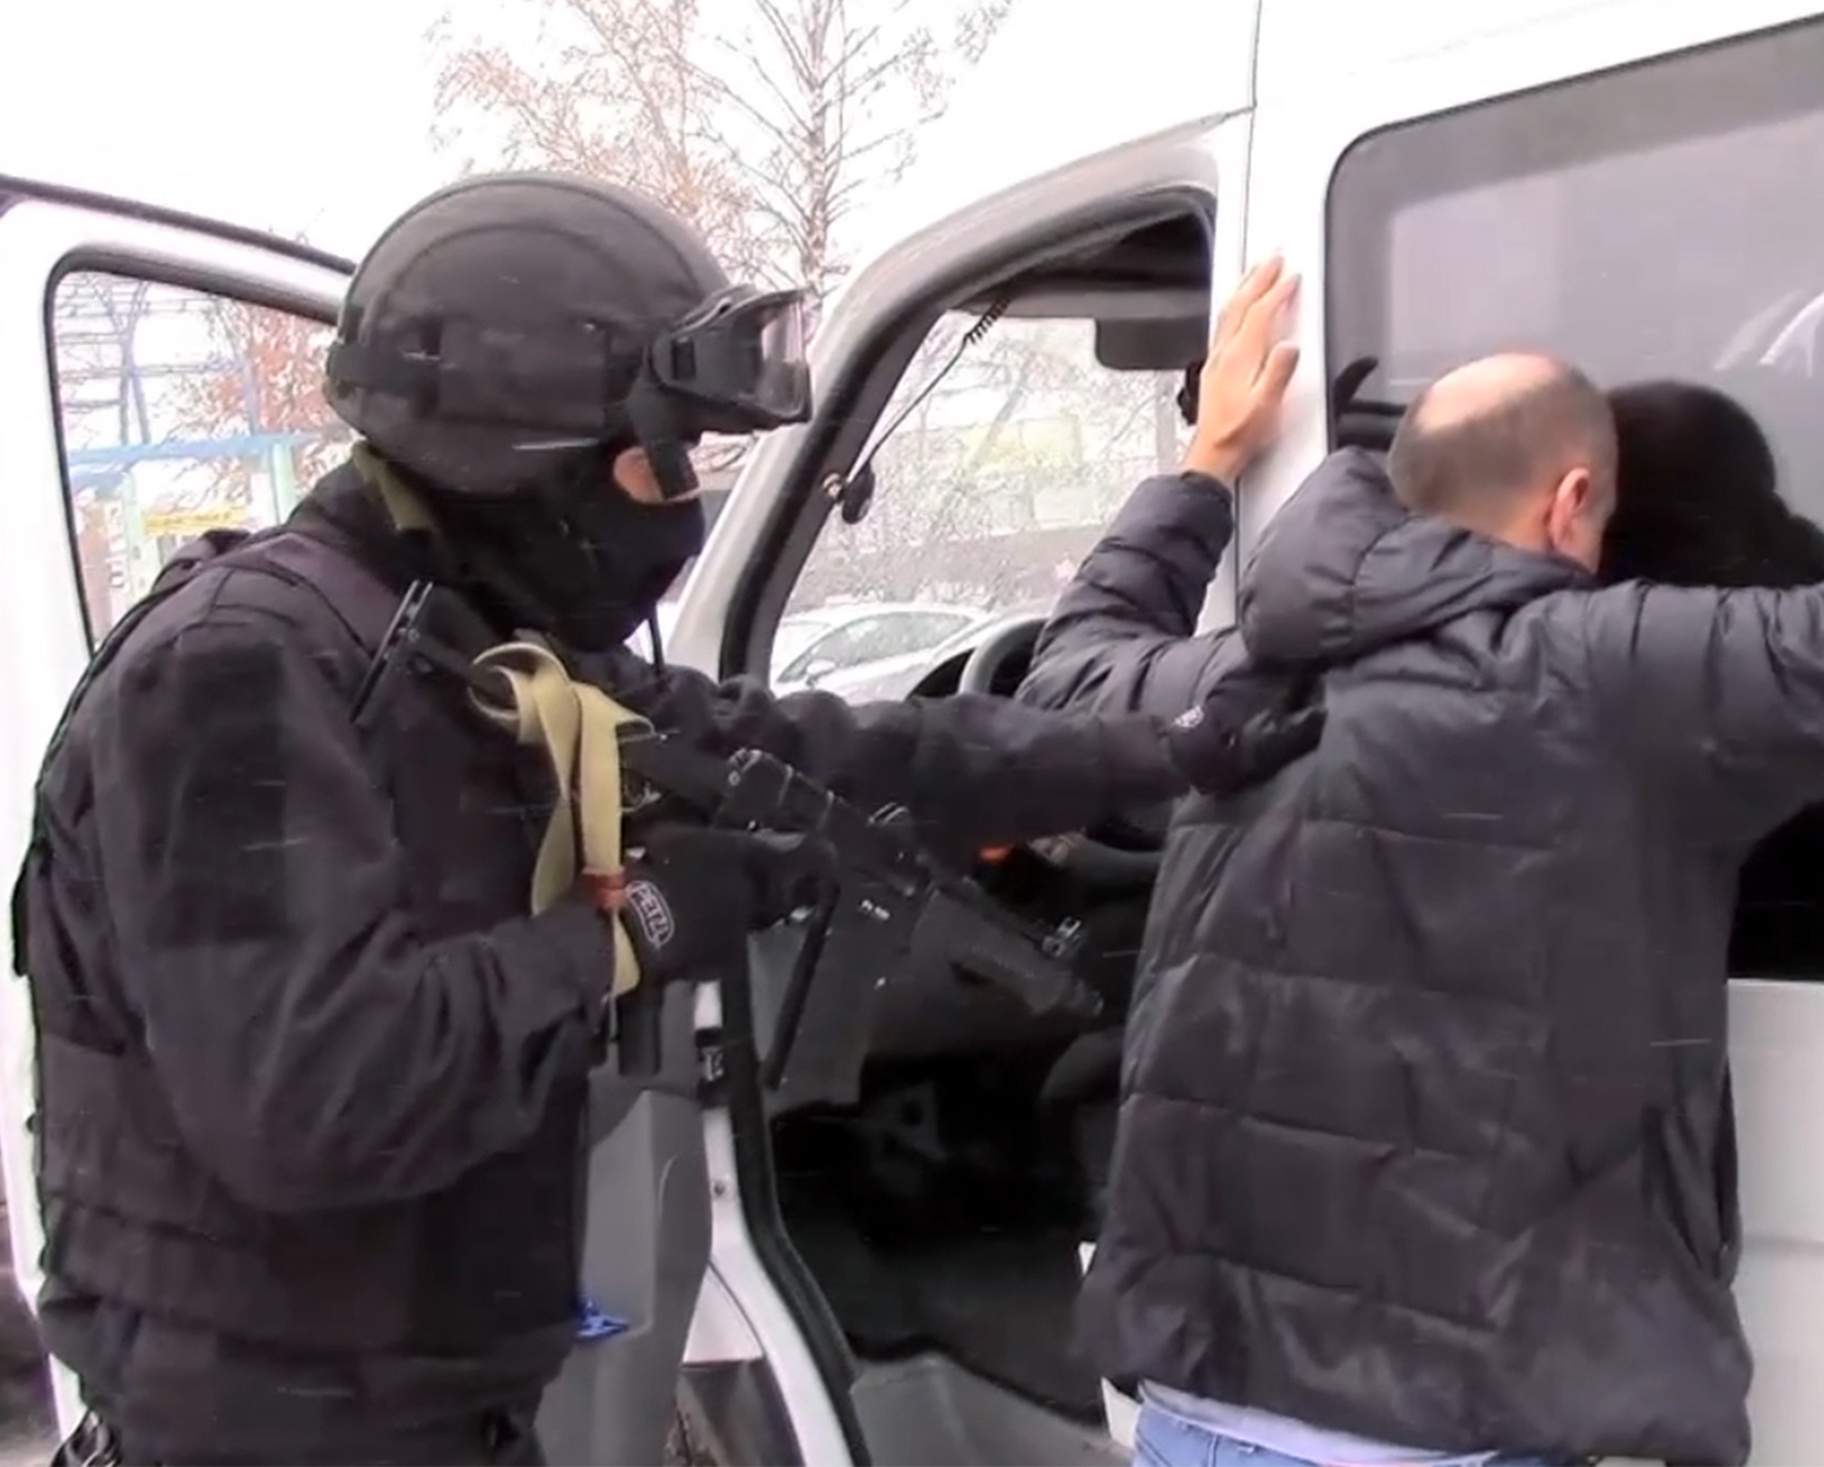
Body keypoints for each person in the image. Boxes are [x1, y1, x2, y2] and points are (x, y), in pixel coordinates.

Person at [9, 172, 1322, 1467]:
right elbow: (321, 1099)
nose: (681, 506)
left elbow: (825, 749)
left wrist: (1156, 752)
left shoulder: (471, 646)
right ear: (523, 459)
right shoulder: (235, 677)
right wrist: (641, 924)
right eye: (657, 463)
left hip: (432, 1409)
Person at [1019, 37, 1824, 1467]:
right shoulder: (1608, 679)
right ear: (1576, 504)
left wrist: (1207, 463)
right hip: (1447, 1437)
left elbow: (1066, 678)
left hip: (1198, 1419)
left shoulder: (1240, 680)